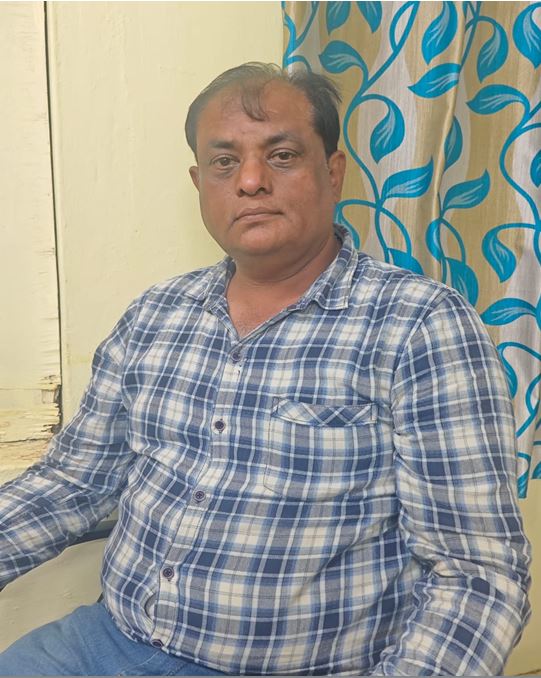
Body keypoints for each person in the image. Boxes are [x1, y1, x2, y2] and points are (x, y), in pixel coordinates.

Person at [0, 62, 531, 676]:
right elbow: (72, 483)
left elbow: (476, 575)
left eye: (282, 156)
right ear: (200, 183)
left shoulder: (419, 325)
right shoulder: (154, 315)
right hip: (105, 643)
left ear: (333, 172)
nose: (251, 181)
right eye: (224, 163)